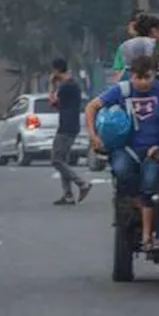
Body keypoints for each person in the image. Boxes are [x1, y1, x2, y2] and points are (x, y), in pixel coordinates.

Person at [85, 55, 159, 250]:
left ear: (155, 75)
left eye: (148, 77)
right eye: (139, 77)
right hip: (127, 149)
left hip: (157, 150)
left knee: (152, 183)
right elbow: (91, 107)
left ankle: (151, 229)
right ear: (131, 75)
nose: (143, 82)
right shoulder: (122, 90)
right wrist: (94, 136)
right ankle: (136, 204)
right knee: (121, 171)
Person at [48, 58, 91, 206]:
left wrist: (51, 85)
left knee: (56, 159)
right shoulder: (72, 84)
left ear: (57, 70)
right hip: (70, 124)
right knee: (63, 160)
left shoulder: (66, 86)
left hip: (66, 126)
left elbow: (52, 102)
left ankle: (82, 183)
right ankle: (68, 195)